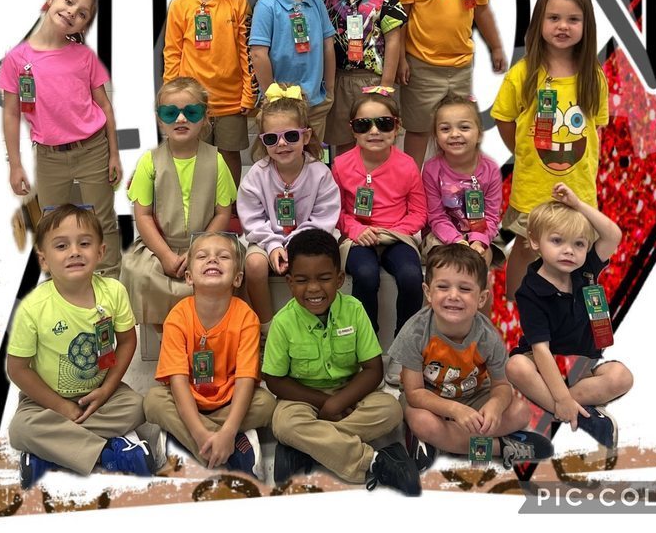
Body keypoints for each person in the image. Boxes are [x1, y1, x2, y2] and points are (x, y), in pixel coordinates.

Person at [7, 204, 157, 488]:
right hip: (46, 401)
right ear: (44, 260)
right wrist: (62, 408)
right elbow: (17, 369)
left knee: (139, 406)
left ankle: (50, 452)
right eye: (61, 246)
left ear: (100, 252)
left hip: (101, 395)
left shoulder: (114, 292)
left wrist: (106, 390)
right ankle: (108, 451)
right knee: (20, 429)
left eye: (84, 243)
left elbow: (127, 342)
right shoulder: (34, 307)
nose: (75, 251)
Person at [262, 229, 421, 495]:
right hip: (303, 399)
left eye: (324, 278)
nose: (313, 288)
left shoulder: (354, 310)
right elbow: (275, 381)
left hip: (351, 393)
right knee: (284, 423)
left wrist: (340, 400)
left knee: (390, 410)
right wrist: (325, 403)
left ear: (338, 279)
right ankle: (375, 461)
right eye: (302, 280)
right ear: (289, 282)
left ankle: (307, 449)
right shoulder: (282, 322)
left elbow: (373, 370)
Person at [491, 0, 608, 298]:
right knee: (527, 250)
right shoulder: (525, 72)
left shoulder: (593, 76)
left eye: (573, 19)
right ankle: (517, 308)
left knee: (573, 256)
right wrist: (522, 150)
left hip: (577, 191)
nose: (563, 26)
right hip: (532, 189)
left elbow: (595, 128)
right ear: (540, 22)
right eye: (554, 18)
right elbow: (503, 117)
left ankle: (562, 316)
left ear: (586, 25)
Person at [389, 243, 553, 471]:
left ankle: (442, 443)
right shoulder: (415, 332)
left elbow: (502, 386)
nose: (453, 296)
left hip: (473, 395)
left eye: (465, 289)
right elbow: (415, 393)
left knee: (520, 412)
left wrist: (495, 406)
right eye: (443, 287)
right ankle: (500, 447)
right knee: (421, 422)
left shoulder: (487, 336)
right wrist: (455, 411)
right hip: (430, 402)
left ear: (482, 297)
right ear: (428, 292)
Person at [0, 0, 122, 277]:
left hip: (93, 149)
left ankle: (111, 281)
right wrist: (15, 165)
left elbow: (104, 106)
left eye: (82, 14)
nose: (71, 13)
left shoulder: (84, 56)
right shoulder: (16, 60)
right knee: (53, 222)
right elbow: (12, 113)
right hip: (50, 155)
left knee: (101, 219)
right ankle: (59, 284)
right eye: (68, 2)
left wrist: (114, 154)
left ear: (84, 24)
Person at [506, 183, 633, 448]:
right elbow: (540, 350)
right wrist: (561, 397)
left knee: (622, 376)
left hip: (582, 366)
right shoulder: (530, 291)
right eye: (557, 241)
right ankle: (582, 415)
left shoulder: (585, 269)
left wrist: (578, 204)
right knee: (515, 366)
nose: (569, 250)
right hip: (543, 363)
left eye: (579, 244)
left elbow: (613, 235)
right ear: (534, 241)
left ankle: (558, 408)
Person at [143, 232, 275, 474]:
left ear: (237, 278)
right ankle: (223, 449)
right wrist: (200, 432)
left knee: (266, 404)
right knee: (153, 402)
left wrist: (229, 429)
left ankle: (187, 444)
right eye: (202, 256)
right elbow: (178, 381)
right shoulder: (177, 317)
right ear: (189, 277)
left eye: (223, 256)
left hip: (229, 400)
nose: (212, 260)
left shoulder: (247, 317)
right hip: (189, 400)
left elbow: (246, 379)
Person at [393, 0, 506, 169]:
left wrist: (496, 47)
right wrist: (400, 59)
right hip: (421, 65)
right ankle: (412, 184)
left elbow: (481, 11)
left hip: (460, 65)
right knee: (419, 130)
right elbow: (398, 20)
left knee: (456, 129)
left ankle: (452, 181)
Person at [122, 78, 235, 327]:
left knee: (225, 268)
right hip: (161, 245)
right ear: (160, 119)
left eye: (191, 112)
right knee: (139, 272)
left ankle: (209, 328)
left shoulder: (216, 161)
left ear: (205, 117)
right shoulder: (149, 162)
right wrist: (164, 255)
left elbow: (222, 213)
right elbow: (143, 215)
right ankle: (166, 334)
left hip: (206, 243)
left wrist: (198, 249)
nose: (181, 119)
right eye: (170, 113)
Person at [333, 93, 426, 381]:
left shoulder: (407, 165)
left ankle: (403, 348)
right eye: (364, 125)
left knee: (412, 276)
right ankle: (368, 346)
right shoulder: (341, 164)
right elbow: (335, 211)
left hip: (397, 236)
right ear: (353, 130)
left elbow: (419, 212)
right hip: (358, 236)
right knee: (365, 274)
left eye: (384, 123)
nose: (374, 131)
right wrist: (356, 229)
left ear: (396, 127)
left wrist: (395, 232)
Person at [237, 84, 340, 331]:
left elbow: (324, 216)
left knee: (313, 264)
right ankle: (266, 326)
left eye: (291, 136)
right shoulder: (257, 175)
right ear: (263, 142)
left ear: (305, 136)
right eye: (272, 138)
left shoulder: (320, 173)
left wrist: (294, 243)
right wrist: (273, 245)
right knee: (253, 264)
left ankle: (308, 322)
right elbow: (252, 219)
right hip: (266, 239)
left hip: (310, 239)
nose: (282, 144)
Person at [163, 0, 256, 191]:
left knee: (228, 155)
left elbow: (246, 51)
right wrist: (173, 96)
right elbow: (172, 52)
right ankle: (200, 205)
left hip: (231, 100)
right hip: (192, 101)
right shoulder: (180, 5)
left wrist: (249, 94)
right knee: (194, 155)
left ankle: (231, 204)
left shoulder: (238, 2)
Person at [321, 0, 406, 155]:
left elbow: (393, 40)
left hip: (373, 80)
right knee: (344, 144)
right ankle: (346, 189)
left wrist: (386, 86)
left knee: (376, 140)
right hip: (337, 80)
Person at [250, 0, 336, 147]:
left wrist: (330, 89)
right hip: (280, 108)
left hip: (315, 102)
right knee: (280, 157)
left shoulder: (316, 1)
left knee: (314, 156)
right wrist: (271, 97)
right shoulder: (266, 6)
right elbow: (259, 54)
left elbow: (328, 46)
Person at [422, 93, 502, 269]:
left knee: (479, 264)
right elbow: (436, 216)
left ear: (479, 134)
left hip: (479, 233)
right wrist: (457, 240)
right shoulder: (431, 169)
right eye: (445, 129)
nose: (455, 134)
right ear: (436, 136)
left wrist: (478, 242)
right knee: (447, 265)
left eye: (464, 128)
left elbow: (491, 215)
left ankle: (479, 295)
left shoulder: (491, 169)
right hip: (440, 236)